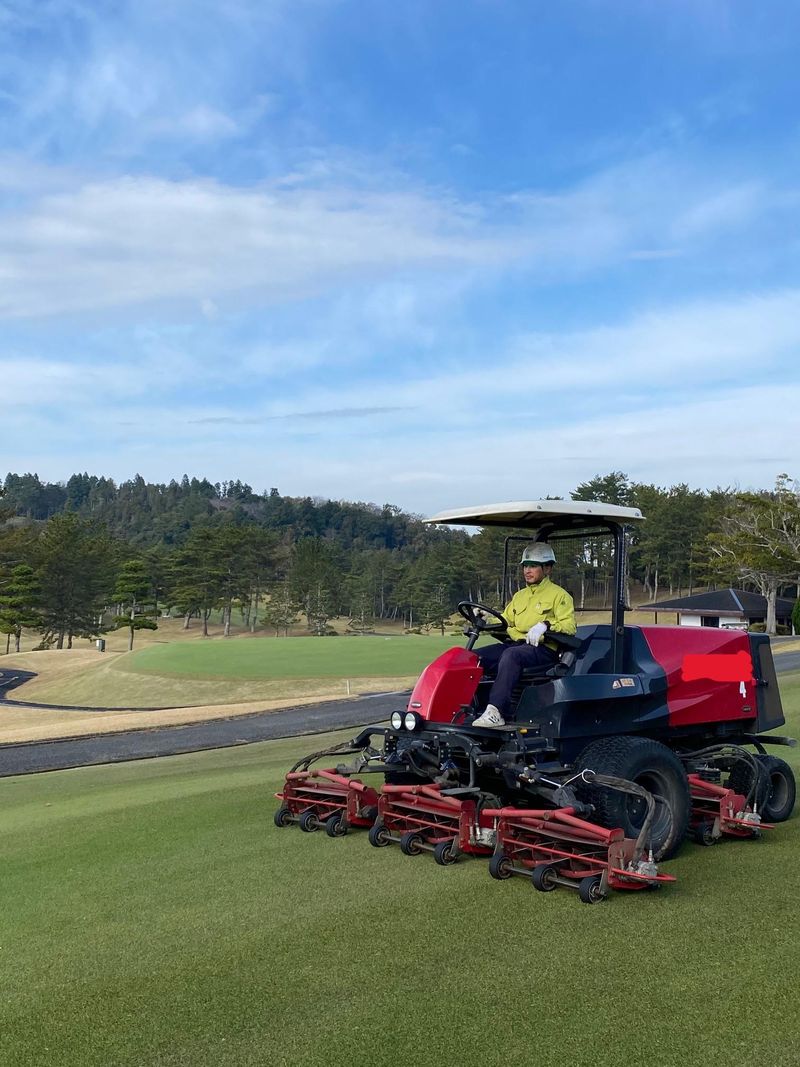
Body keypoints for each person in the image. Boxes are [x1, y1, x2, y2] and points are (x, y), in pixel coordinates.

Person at [472, 542, 576, 728]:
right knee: (473, 657)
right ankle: (463, 708)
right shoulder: (520, 596)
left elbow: (569, 626)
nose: (527, 570)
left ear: (548, 569)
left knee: (511, 656)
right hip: (515, 645)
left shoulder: (559, 596)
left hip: (543, 649)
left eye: (533, 566)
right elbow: (505, 619)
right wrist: (486, 618)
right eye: (525, 566)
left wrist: (546, 625)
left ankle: (496, 711)